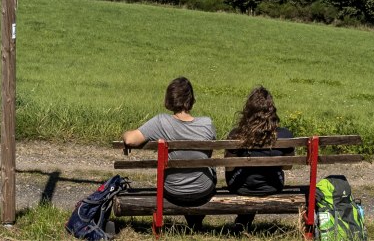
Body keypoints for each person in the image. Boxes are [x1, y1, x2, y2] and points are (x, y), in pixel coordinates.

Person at [122, 76, 215, 228]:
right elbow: (207, 155)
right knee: (207, 170)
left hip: (174, 192)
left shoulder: (161, 122)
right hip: (202, 191)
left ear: (170, 98)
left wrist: (125, 133)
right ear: (191, 99)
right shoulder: (207, 123)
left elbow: (131, 140)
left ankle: (193, 220)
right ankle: (195, 221)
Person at [223, 86, 295, 229]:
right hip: (273, 186)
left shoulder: (236, 134)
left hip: (240, 187)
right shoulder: (285, 135)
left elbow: (229, 166)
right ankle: (244, 221)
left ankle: (243, 221)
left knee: (239, 171)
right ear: (272, 111)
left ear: (248, 111)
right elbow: (288, 166)